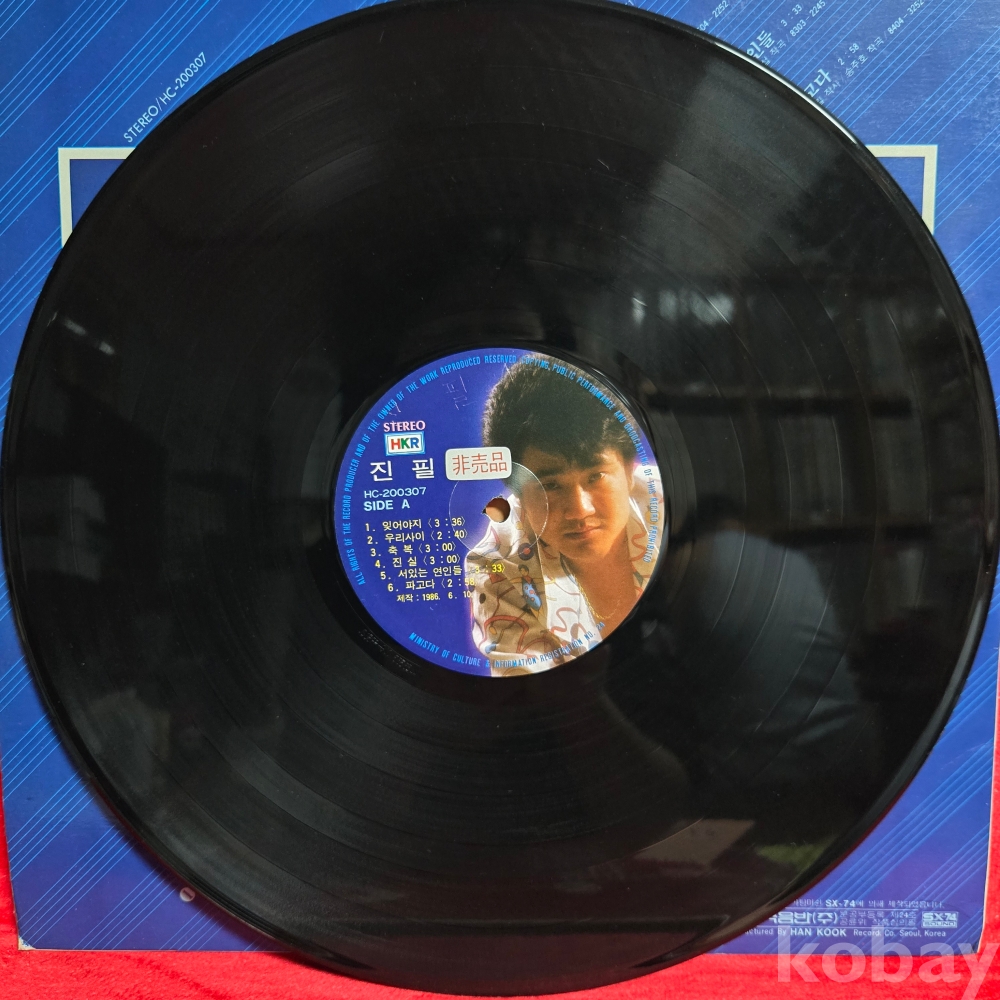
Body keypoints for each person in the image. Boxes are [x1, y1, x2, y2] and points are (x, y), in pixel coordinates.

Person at [467, 357, 664, 676]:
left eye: (596, 477)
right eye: (550, 485)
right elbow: (532, 694)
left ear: (629, 471)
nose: (580, 510)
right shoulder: (497, 568)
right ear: (517, 492)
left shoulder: (669, 505)